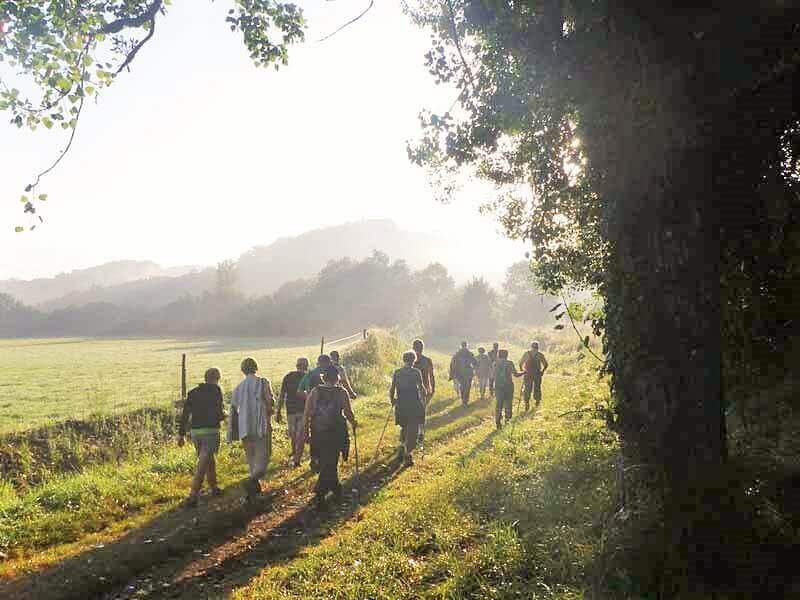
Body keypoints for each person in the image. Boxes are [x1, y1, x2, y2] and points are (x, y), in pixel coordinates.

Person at [303, 365, 356, 508]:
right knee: (330, 461)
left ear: (323, 377)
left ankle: (334, 489)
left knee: (327, 462)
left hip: (318, 431)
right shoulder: (341, 392)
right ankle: (323, 491)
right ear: (337, 377)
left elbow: (307, 414)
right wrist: (354, 422)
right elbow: (348, 412)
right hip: (336, 431)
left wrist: (306, 432)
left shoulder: (315, 391)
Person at [178, 367, 225, 508]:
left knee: (208, 460)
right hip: (210, 431)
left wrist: (181, 434)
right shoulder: (216, 391)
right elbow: (219, 411)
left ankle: (214, 487)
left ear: (205, 378)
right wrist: (224, 416)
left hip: (195, 433)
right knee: (203, 463)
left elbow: (185, 414)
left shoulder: (192, 393)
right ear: (216, 378)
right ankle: (193, 494)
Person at [229, 357, 274, 502]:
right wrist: (270, 410)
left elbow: (234, 408)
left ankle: (253, 491)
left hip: (244, 426)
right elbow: (269, 402)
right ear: (256, 367)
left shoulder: (238, 387)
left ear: (243, 370)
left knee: (252, 458)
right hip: (260, 424)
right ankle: (251, 480)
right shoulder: (262, 382)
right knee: (264, 456)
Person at [389, 351, 426, 467]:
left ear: (404, 359)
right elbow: (422, 389)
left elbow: (392, 389)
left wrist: (392, 400)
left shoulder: (397, 372)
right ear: (413, 360)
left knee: (404, 426)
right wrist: (424, 399)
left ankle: (402, 446)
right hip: (414, 404)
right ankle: (407, 454)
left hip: (401, 404)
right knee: (413, 429)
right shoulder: (416, 372)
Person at [276, 357, 309, 467]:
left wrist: (278, 411)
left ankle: (295, 454)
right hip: (303, 410)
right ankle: (297, 456)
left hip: (290, 410)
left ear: (297, 365)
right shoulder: (308, 377)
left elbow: (281, 395)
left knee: (293, 433)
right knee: (300, 434)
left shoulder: (288, 376)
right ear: (307, 366)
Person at [412, 338, 435, 445]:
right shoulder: (427, 360)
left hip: (411, 390)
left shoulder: (410, 360)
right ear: (422, 348)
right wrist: (432, 389)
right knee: (422, 412)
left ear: (413, 347)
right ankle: (420, 432)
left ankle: (413, 432)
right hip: (424, 390)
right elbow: (431, 376)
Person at [492, 349, 523, 429]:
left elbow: (492, 376)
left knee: (499, 404)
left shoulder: (495, 363)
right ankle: (507, 420)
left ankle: (498, 422)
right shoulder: (509, 363)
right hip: (508, 386)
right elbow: (515, 374)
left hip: (498, 386)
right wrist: (523, 372)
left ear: (499, 355)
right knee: (508, 404)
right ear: (506, 355)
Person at [519, 341, 549, 411]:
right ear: (537, 347)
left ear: (531, 347)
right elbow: (546, 364)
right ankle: (537, 402)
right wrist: (542, 371)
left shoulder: (526, 354)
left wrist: (523, 371)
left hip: (528, 374)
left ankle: (527, 403)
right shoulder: (540, 355)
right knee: (537, 388)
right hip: (537, 374)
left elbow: (520, 363)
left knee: (527, 388)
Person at [451, 341, 477, 405]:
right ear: (466, 345)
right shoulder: (470, 353)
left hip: (459, 372)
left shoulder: (457, 354)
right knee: (468, 387)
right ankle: (466, 400)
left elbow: (453, 363)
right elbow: (475, 362)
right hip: (468, 372)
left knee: (462, 385)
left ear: (461, 345)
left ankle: (463, 399)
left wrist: (453, 373)